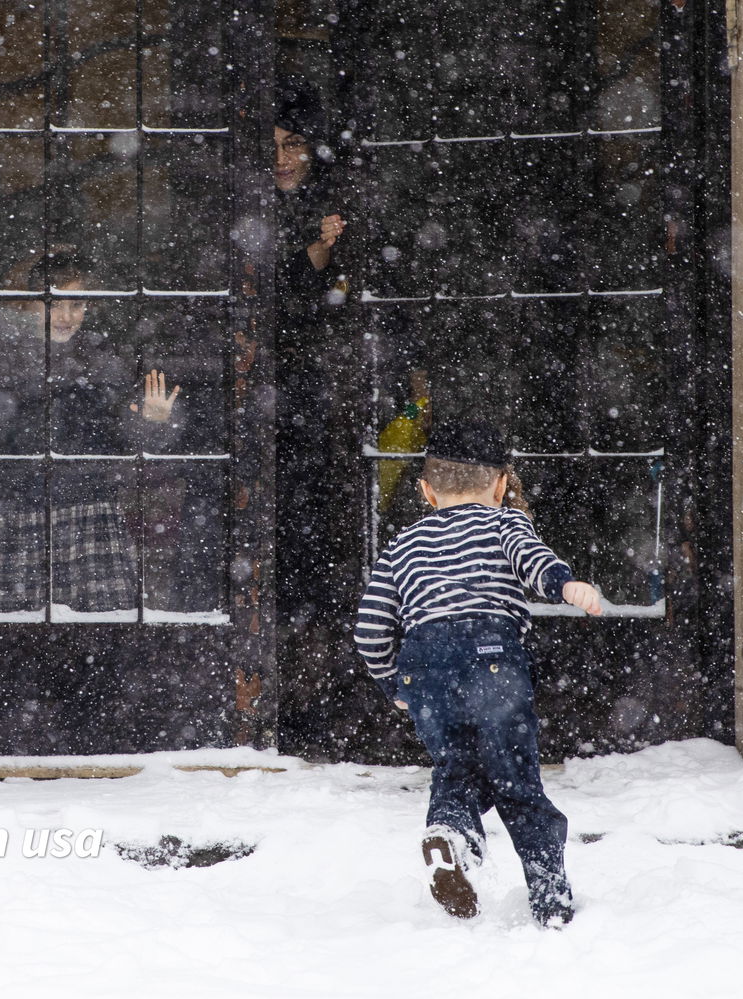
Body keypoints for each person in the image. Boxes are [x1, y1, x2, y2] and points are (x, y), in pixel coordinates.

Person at [353, 420, 603, 926]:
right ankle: (551, 903)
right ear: (500, 487)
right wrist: (564, 584)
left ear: (425, 490)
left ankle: (451, 837)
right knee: (517, 784)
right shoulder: (504, 524)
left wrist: (393, 683)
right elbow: (532, 560)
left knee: (457, 769)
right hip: (491, 655)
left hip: (424, 666)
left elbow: (369, 628)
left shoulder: (402, 545)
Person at [0, 249, 187, 615]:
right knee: (17, 639)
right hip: (21, 515)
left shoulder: (104, 360)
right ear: (31, 304)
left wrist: (152, 423)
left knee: (103, 632)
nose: (66, 317)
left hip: (91, 513)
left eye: (77, 305)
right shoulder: (1, 360)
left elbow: (127, 439)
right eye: (55, 304)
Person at [274, 76, 349, 631]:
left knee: (315, 523)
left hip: (324, 392)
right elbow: (264, 305)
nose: (282, 159)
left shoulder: (337, 207)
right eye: (271, 146)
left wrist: (321, 257)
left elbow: (344, 306)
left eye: (292, 144)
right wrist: (309, 260)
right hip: (264, 391)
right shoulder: (238, 211)